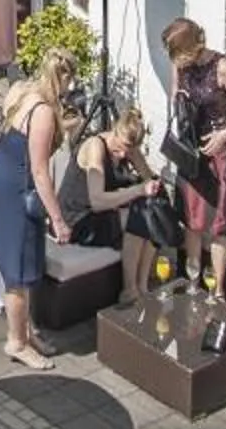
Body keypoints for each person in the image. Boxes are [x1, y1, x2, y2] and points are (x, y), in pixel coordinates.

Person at [0, 50, 76, 368]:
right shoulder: (44, 112)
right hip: (17, 191)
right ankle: (17, 342)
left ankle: (27, 331)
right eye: (70, 80)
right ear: (62, 77)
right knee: (18, 271)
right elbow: (39, 170)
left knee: (20, 262)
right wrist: (58, 219)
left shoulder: (20, 90)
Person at [161, 16, 226, 295]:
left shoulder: (221, 67)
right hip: (193, 149)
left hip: (221, 150)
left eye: (178, 54)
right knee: (193, 219)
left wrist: (225, 134)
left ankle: (218, 290)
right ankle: (192, 282)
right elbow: (175, 97)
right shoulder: (179, 64)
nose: (176, 60)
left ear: (191, 46)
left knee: (220, 225)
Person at [70, 107, 175, 294]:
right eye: (120, 147)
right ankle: (130, 290)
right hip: (80, 219)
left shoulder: (130, 149)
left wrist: (155, 187)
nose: (122, 154)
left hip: (105, 214)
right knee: (139, 218)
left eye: (129, 149)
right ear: (114, 131)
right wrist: (138, 190)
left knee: (152, 212)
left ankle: (143, 286)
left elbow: (149, 178)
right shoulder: (96, 147)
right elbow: (97, 201)